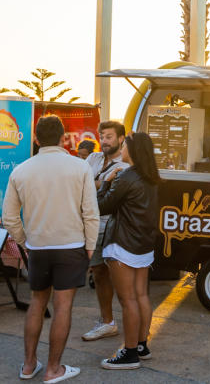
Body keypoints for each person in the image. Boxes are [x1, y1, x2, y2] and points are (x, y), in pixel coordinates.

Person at [2, 115, 99, 384]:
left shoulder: (20, 171)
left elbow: (9, 217)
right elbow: (91, 213)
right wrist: (90, 246)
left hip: (38, 247)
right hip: (72, 246)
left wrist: (25, 242)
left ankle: (28, 365)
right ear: (63, 138)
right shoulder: (80, 167)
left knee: (37, 303)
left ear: (36, 139)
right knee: (63, 307)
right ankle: (53, 369)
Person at [97, 132, 160, 370]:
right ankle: (142, 346)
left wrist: (106, 182)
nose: (121, 149)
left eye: (124, 146)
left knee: (128, 300)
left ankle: (130, 353)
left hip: (123, 244)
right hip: (143, 244)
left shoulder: (126, 176)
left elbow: (102, 206)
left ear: (132, 151)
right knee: (141, 295)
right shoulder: (151, 177)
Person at [82, 121, 130, 342]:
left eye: (109, 137)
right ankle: (108, 322)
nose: (104, 141)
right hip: (91, 225)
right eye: (102, 136)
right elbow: (80, 182)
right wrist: (102, 182)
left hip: (112, 226)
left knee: (121, 278)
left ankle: (134, 328)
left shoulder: (126, 164)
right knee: (99, 274)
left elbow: (112, 190)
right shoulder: (93, 158)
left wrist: (95, 183)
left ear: (121, 139)